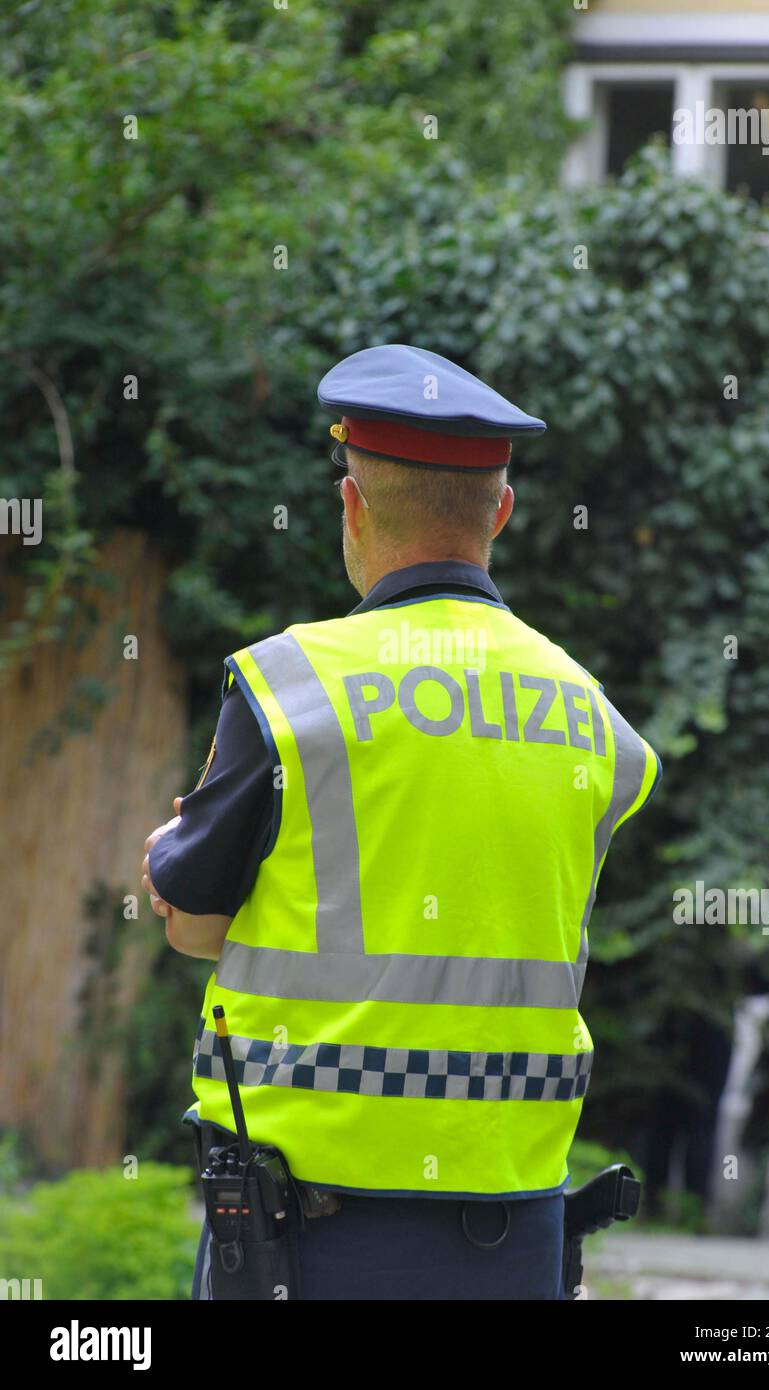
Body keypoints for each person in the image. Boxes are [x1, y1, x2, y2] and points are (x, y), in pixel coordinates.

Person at [141, 343, 662, 1300]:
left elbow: (194, 924)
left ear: (350, 503)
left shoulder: (288, 686)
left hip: (305, 1236)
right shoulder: (593, 718)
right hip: (512, 1230)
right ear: (499, 511)